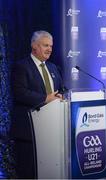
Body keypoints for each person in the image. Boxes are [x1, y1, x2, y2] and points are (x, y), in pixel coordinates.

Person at [10, 30, 64, 179]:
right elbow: (20, 93)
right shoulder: (21, 66)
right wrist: (45, 98)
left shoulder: (53, 67)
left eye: (51, 46)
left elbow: (61, 90)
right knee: (29, 172)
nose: (50, 49)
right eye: (46, 45)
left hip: (52, 131)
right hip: (29, 132)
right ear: (34, 46)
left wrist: (61, 96)